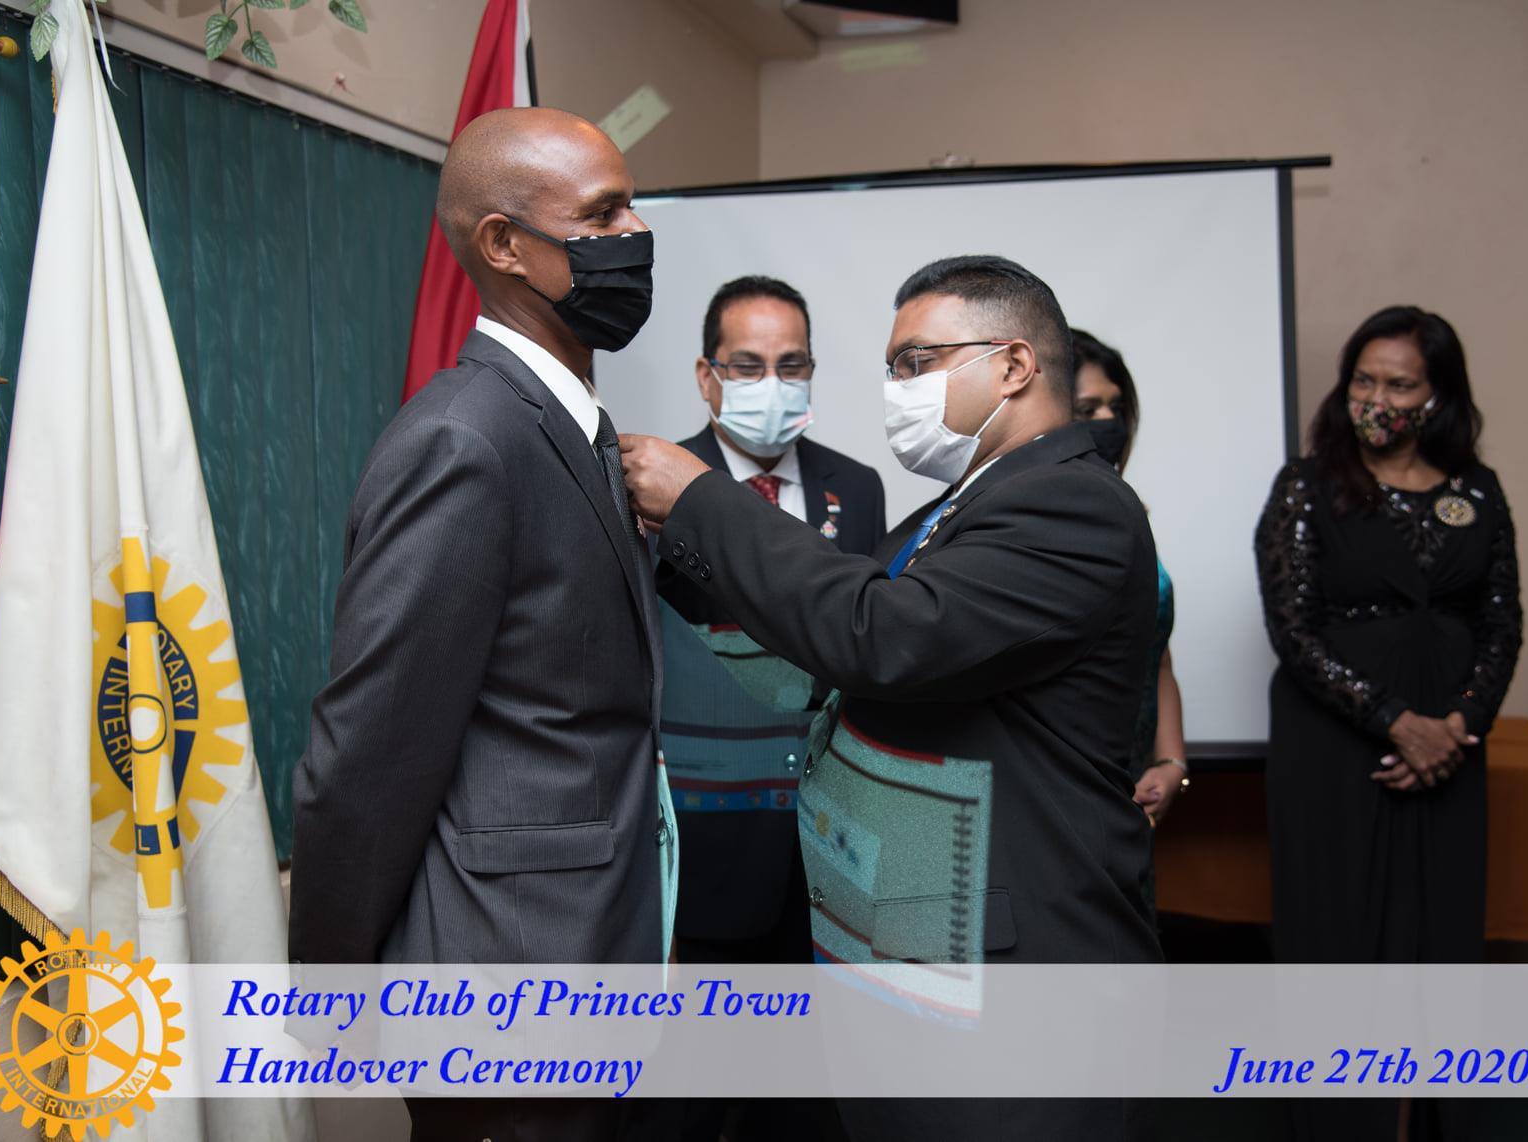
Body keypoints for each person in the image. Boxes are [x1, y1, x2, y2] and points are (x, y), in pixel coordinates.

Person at [622, 254, 1161, 1142]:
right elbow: (828, 661)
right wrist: (677, 561)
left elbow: (884, 637)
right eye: (892, 367)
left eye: (918, 361)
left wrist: (700, 502)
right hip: (917, 956)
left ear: (1014, 366)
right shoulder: (959, 506)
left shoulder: (1072, 503)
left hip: (1013, 979)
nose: (898, 388)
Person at [288, 108, 674, 1142]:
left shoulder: (571, 427)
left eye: (632, 207)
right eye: (604, 213)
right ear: (504, 244)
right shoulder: (465, 439)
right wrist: (329, 995)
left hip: (591, 960)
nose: (636, 234)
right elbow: (369, 752)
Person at [1254, 304, 1521, 1141]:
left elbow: (1502, 622)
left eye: (1398, 385)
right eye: (1363, 381)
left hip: (1450, 753)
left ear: (1438, 396)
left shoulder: (1477, 491)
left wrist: (1456, 726)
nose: (1377, 399)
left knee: (1436, 951)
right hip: (1335, 751)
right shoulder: (1306, 486)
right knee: (1338, 947)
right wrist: (1395, 720)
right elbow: (1292, 628)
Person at [663, 276, 883, 1142]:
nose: (772, 385)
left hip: (830, 841)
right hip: (707, 833)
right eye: (747, 366)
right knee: (689, 1095)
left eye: (791, 366)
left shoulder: (856, 488)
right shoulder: (652, 482)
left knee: (808, 1097)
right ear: (706, 376)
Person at [1073, 328, 1188, 825]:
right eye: (1088, 409)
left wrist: (1171, 762)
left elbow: (1156, 657)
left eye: (1115, 407)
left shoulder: (1129, 514)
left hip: (1134, 789)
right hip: (1066, 792)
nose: (1109, 421)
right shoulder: (1027, 522)